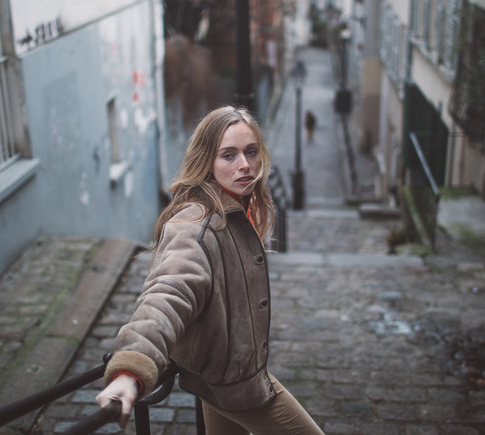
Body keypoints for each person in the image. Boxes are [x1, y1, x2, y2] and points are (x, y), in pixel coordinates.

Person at [96, 106, 324, 434]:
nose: (244, 165)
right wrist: (131, 368)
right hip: (237, 386)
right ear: (207, 161)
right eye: (228, 155)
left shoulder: (236, 209)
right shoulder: (198, 225)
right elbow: (169, 292)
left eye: (251, 152)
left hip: (216, 379)